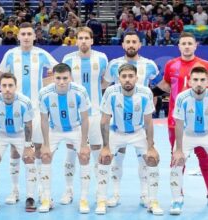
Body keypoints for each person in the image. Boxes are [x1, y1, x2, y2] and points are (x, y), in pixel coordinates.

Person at [0, 22, 58, 204]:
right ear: (18, 36)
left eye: (29, 34)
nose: (25, 37)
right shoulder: (10, 54)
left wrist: (45, 82)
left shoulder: (41, 54)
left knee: (38, 149)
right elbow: (0, 75)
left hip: (36, 110)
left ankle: (39, 188)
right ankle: (15, 190)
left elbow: (60, 71)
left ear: (35, 36)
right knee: (16, 151)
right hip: (14, 109)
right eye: (23, 34)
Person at [96, 63, 163, 215]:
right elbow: (104, 121)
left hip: (138, 133)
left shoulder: (145, 92)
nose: (127, 80)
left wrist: (151, 146)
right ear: (118, 79)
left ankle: (150, 199)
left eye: (130, 76)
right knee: (104, 158)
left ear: (136, 78)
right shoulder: (111, 93)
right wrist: (105, 146)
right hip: (117, 132)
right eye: (124, 76)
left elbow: (148, 122)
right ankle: (104, 199)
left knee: (152, 159)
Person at [103, 31, 159, 208]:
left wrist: (150, 112)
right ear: (123, 44)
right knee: (116, 160)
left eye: (134, 41)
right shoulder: (114, 65)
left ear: (140, 45)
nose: (131, 44)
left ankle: (145, 195)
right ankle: (115, 194)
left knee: (144, 160)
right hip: (118, 122)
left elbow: (153, 91)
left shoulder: (149, 65)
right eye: (128, 41)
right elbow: (105, 86)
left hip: (139, 123)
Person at [154, 31, 208, 199]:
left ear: (195, 46)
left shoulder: (205, 65)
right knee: (177, 157)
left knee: (205, 159)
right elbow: (165, 85)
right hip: (175, 120)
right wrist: (148, 93)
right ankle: (178, 193)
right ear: (179, 46)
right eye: (183, 43)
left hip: (201, 121)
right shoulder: (171, 65)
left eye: (189, 43)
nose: (186, 46)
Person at [61, 26, 108, 205]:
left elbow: (105, 81)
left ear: (92, 40)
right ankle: (68, 191)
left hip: (95, 113)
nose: (83, 41)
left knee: (96, 151)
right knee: (71, 152)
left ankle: (99, 191)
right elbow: (64, 82)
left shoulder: (102, 58)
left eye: (86, 38)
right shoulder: (68, 59)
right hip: (74, 116)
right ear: (76, 41)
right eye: (80, 38)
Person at [38, 63, 91, 213]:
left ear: (71, 77)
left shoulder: (80, 92)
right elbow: (43, 120)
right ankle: (47, 199)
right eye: (58, 78)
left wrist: (84, 143)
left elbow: (85, 119)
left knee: (85, 157)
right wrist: (46, 144)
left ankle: (84, 199)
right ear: (52, 77)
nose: (62, 82)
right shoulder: (44, 93)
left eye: (65, 78)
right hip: (55, 130)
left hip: (75, 129)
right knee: (46, 156)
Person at [0, 73, 36, 212]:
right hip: (1, 133)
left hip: (20, 133)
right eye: (4, 86)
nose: (7, 89)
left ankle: (30, 198)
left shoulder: (25, 102)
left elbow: (28, 125)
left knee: (30, 159)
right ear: (0, 87)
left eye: (10, 86)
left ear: (16, 86)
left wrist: (27, 146)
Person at [170, 66, 208, 215]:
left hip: (207, 134)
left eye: (202, 80)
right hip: (188, 135)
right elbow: (178, 124)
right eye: (196, 80)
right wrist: (179, 150)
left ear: (207, 81)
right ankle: (176, 199)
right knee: (176, 164)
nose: (199, 83)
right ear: (190, 81)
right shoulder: (182, 97)